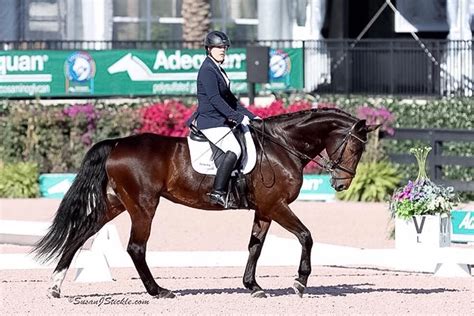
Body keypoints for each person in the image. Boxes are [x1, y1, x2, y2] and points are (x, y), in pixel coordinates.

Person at [187, 30, 260, 207]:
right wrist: (236, 117)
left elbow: (231, 100)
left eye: (224, 47)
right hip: (210, 122)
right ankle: (218, 192)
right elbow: (215, 99)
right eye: (218, 47)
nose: (222, 50)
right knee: (234, 149)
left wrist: (252, 116)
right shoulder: (207, 70)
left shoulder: (217, 69)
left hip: (220, 121)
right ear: (208, 49)